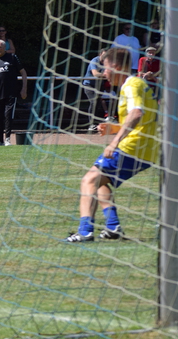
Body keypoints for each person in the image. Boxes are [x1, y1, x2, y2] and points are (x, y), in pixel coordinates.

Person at [63, 48, 158, 242]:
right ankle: (113, 227)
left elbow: (137, 113)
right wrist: (113, 128)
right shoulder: (134, 84)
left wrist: (114, 143)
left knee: (89, 180)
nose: (104, 72)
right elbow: (142, 118)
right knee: (99, 181)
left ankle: (85, 232)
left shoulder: (131, 84)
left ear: (116, 66)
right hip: (146, 148)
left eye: (106, 68)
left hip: (135, 146)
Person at [0, 40, 28, 146]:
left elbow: (23, 73)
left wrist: (24, 89)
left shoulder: (12, 57)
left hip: (11, 93)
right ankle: (0, 140)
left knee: (8, 116)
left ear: (5, 48)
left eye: (0, 47)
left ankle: (8, 139)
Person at [82, 49, 106, 129]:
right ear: (100, 54)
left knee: (97, 104)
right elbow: (95, 74)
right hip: (89, 85)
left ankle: (95, 123)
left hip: (99, 85)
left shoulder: (107, 62)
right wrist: (106, 75)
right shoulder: (94, 61)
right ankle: (91, 124)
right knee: (94, 102)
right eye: (104, 54)